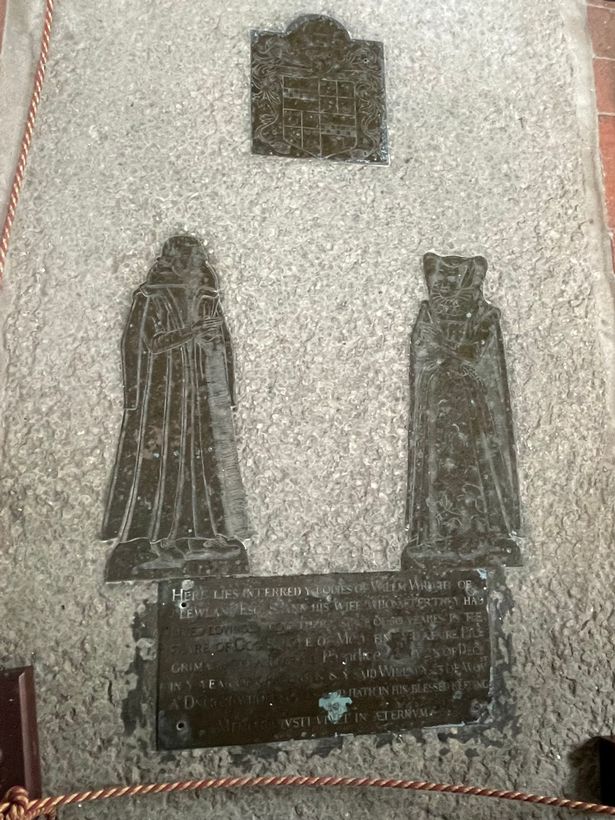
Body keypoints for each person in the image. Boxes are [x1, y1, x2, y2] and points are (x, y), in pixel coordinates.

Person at [102, 235, 251, 581]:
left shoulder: (207, 295)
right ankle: (154, 539)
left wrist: (222, 379)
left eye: (201, 260)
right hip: (166, 399)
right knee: (166, 462)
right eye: (194, 260)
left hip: (200, 396)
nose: (200, 265)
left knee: (204, 461)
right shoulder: (151, 297)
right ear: (177, 262)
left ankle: (201, 534)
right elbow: (145, 344)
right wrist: (192, 332)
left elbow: (223, 342)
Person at [402, 253, 521, 569]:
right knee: (439, 464)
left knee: (477, 462)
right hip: (438, 402)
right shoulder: (429, 314)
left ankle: (483, 533)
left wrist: (445, 348)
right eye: (438, 282)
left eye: (450, 281)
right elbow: (424, 350)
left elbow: (472, 353)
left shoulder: (484, 315)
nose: (442, 287)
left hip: (471, 406)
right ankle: (437, 534)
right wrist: (446, 351)